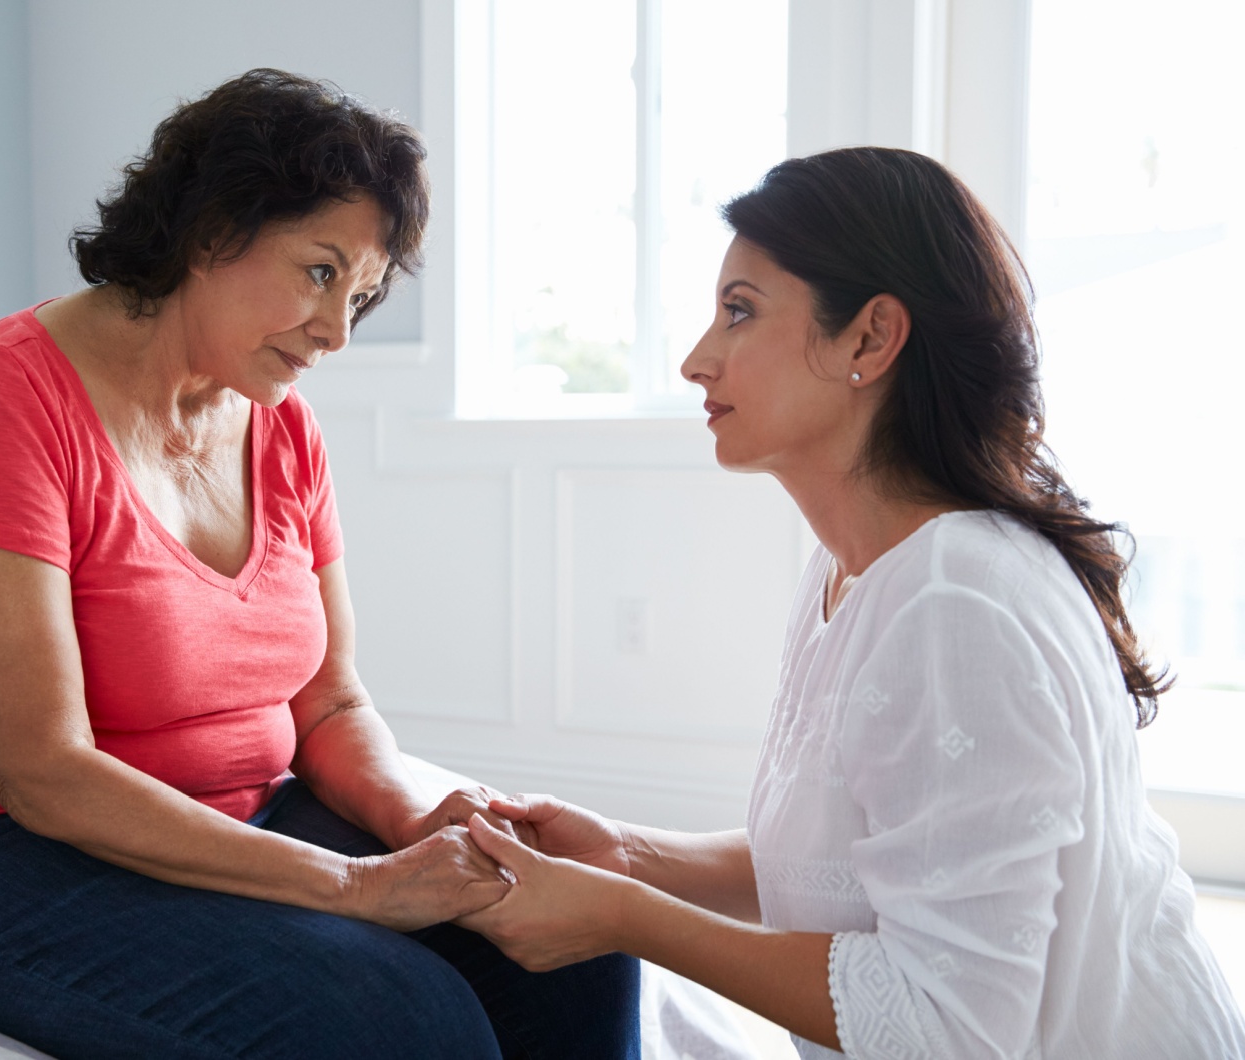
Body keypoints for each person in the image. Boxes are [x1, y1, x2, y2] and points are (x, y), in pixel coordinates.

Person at [0, 69, 639, 1060]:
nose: (335, 332)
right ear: (211, 229)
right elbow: (42, 774)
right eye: (320, 272)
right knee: (395, 1015)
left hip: (229, 819)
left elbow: (328, 705)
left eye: (359, 296)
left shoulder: (283, 429)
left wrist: (418, 825)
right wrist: (355, 889)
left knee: (574, 941)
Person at [456, 147, 1245, 1059]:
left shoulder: (958, 605)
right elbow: (868, 867)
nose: (695, 360)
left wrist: (627, 917)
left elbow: (947, 1028)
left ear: (870, 339)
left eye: (739, 313)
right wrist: (631, 857)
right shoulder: (856, 570)